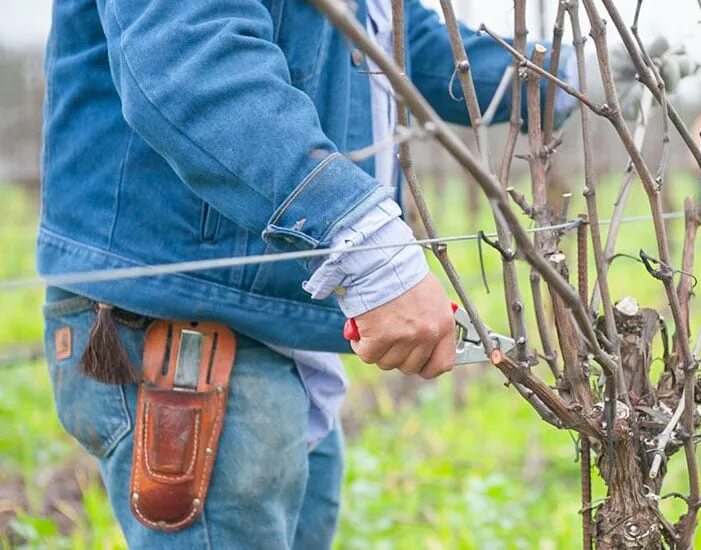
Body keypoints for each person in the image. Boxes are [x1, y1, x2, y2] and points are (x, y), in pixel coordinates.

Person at [38, 0, 577, 547]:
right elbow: (190, 55)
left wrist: (563, 76)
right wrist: (355, 233)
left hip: (271, 313)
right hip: (184, 323)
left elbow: (408, 41)